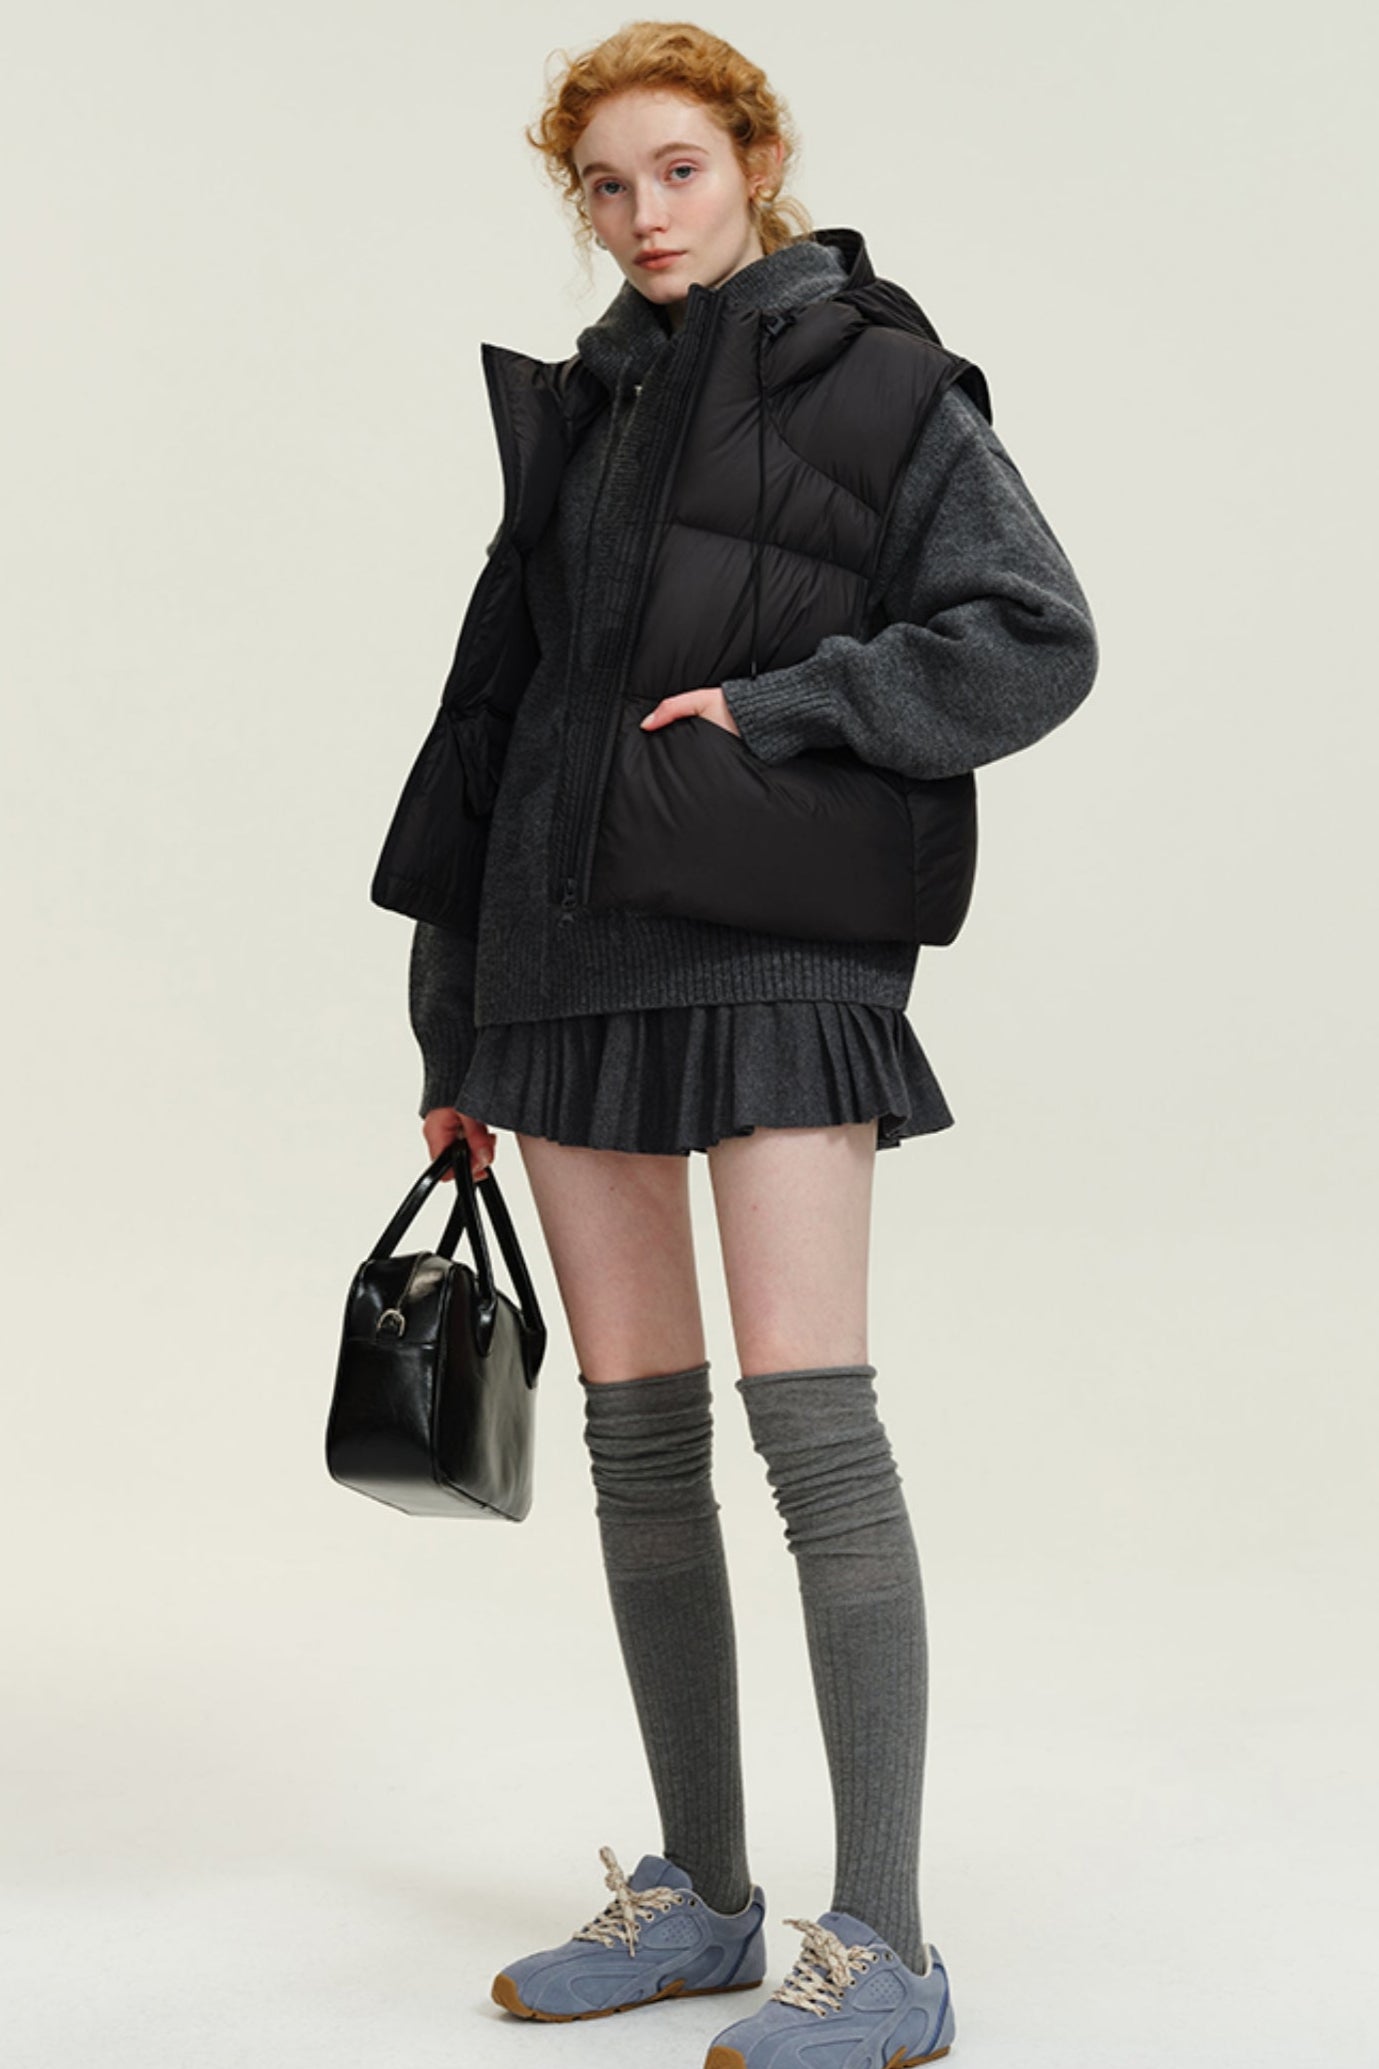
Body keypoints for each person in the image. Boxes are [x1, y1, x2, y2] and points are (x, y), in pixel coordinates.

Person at [387, 21, 1098, 2068]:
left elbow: (1032, 631)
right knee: (638, 1442)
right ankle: (701, 1894)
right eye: (606, 186)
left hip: (777, 951)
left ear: (758, 159)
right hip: (563, 964)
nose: (644, 216)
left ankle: (886, 1945)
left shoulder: (882, 382)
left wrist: (783, 711)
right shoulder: (587, 402)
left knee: (816, 1430)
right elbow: (494, 723)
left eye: (679, 170)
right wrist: (453, 1017)